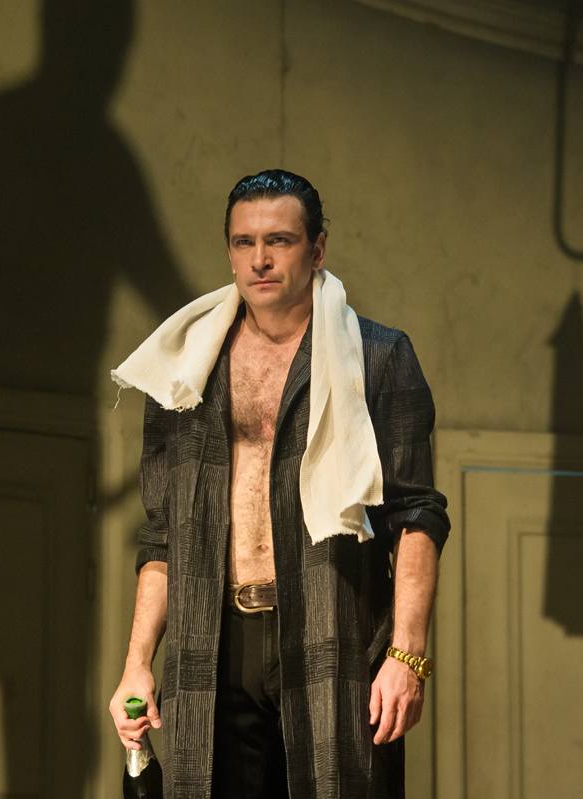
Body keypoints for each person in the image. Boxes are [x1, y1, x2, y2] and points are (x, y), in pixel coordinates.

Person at [108, 170, 449, 799]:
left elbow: (417, 515)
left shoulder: (378, 357)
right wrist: (137, 664)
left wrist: (407, 656)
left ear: (317, 250)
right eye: (244, 242)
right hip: (212, 639)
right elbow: (162, 534)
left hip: (331, 630)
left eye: (279, 241)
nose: (259, 260)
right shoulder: (184, 368)